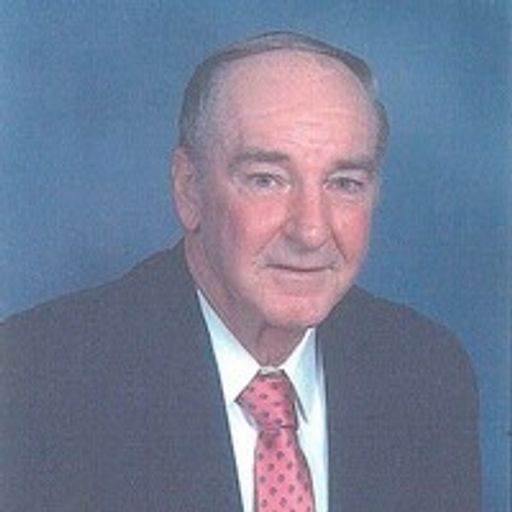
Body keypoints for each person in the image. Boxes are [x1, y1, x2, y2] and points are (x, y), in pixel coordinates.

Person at [1, 31, 480, 512]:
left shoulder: (426, 373)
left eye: (344, 183)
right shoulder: (37, 379)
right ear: (189, 189)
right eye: (267, 180)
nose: (311, 231)